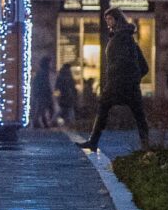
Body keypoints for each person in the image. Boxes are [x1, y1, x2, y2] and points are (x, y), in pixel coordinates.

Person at [83, 9, 151, 152]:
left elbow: (131, 63)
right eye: (106, 19)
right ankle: (146, 145)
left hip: (118, 84)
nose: (107, 22)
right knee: (137, 115)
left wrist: (124, 76)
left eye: (110, 19)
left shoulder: (123, 38)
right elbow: (143, 67)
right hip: (125, 84)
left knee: (108, 109)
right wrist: (134, 79)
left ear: (117, 19)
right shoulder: (125, 37)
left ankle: (93, 142)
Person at [30, 54, 55, 129]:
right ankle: (39, 123)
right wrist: (49, 91)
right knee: (44, 109)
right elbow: (45, 83)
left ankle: (41, 123)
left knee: (42, 109)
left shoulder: (41, 72)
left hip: (42, 93)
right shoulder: (44, 72)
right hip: (44, 93)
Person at [54, 61, 78, 127]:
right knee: (68, 110)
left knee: (64, 110)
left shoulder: (61, 76)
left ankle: (55, 121)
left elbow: (57, 87)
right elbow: (72, 86)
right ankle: (71, 123)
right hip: (68, 96)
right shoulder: (69, 76)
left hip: (63, 96)